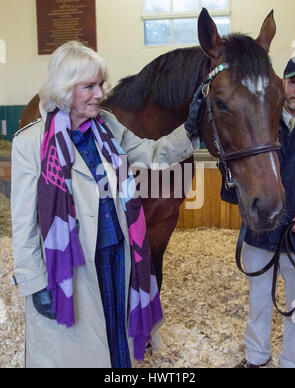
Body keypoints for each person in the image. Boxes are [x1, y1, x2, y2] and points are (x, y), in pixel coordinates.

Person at [11, 41, 198, 368]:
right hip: (72, 267)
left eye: (101, 84)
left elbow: (154, 155)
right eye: (89, 86)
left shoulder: (108, 127)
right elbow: (23, 222)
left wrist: (191, 129)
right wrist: (35, 282)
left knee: (115, 343)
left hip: (117, 257)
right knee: (77, 350)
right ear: (65, 89)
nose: (100, 93)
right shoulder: (30, 143)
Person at [222, 56, 295, 368]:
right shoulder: (260, 120)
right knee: (258, 300)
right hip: (260, 229)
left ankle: (293, 361)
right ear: (283, 84)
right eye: (294, 82)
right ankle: (256, 357)